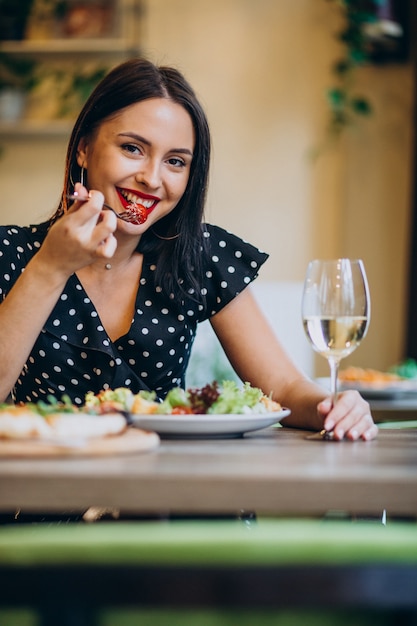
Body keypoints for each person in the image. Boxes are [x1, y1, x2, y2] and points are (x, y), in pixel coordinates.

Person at [0, 57, 377, 441]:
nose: (151, 178)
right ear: (83, 149)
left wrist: (333, 408)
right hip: (48, 487)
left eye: (175, 161)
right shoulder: (11, 253)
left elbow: (281, 385)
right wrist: (50, 267)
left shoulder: (200, 254)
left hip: (169, 491)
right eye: (132, 148)